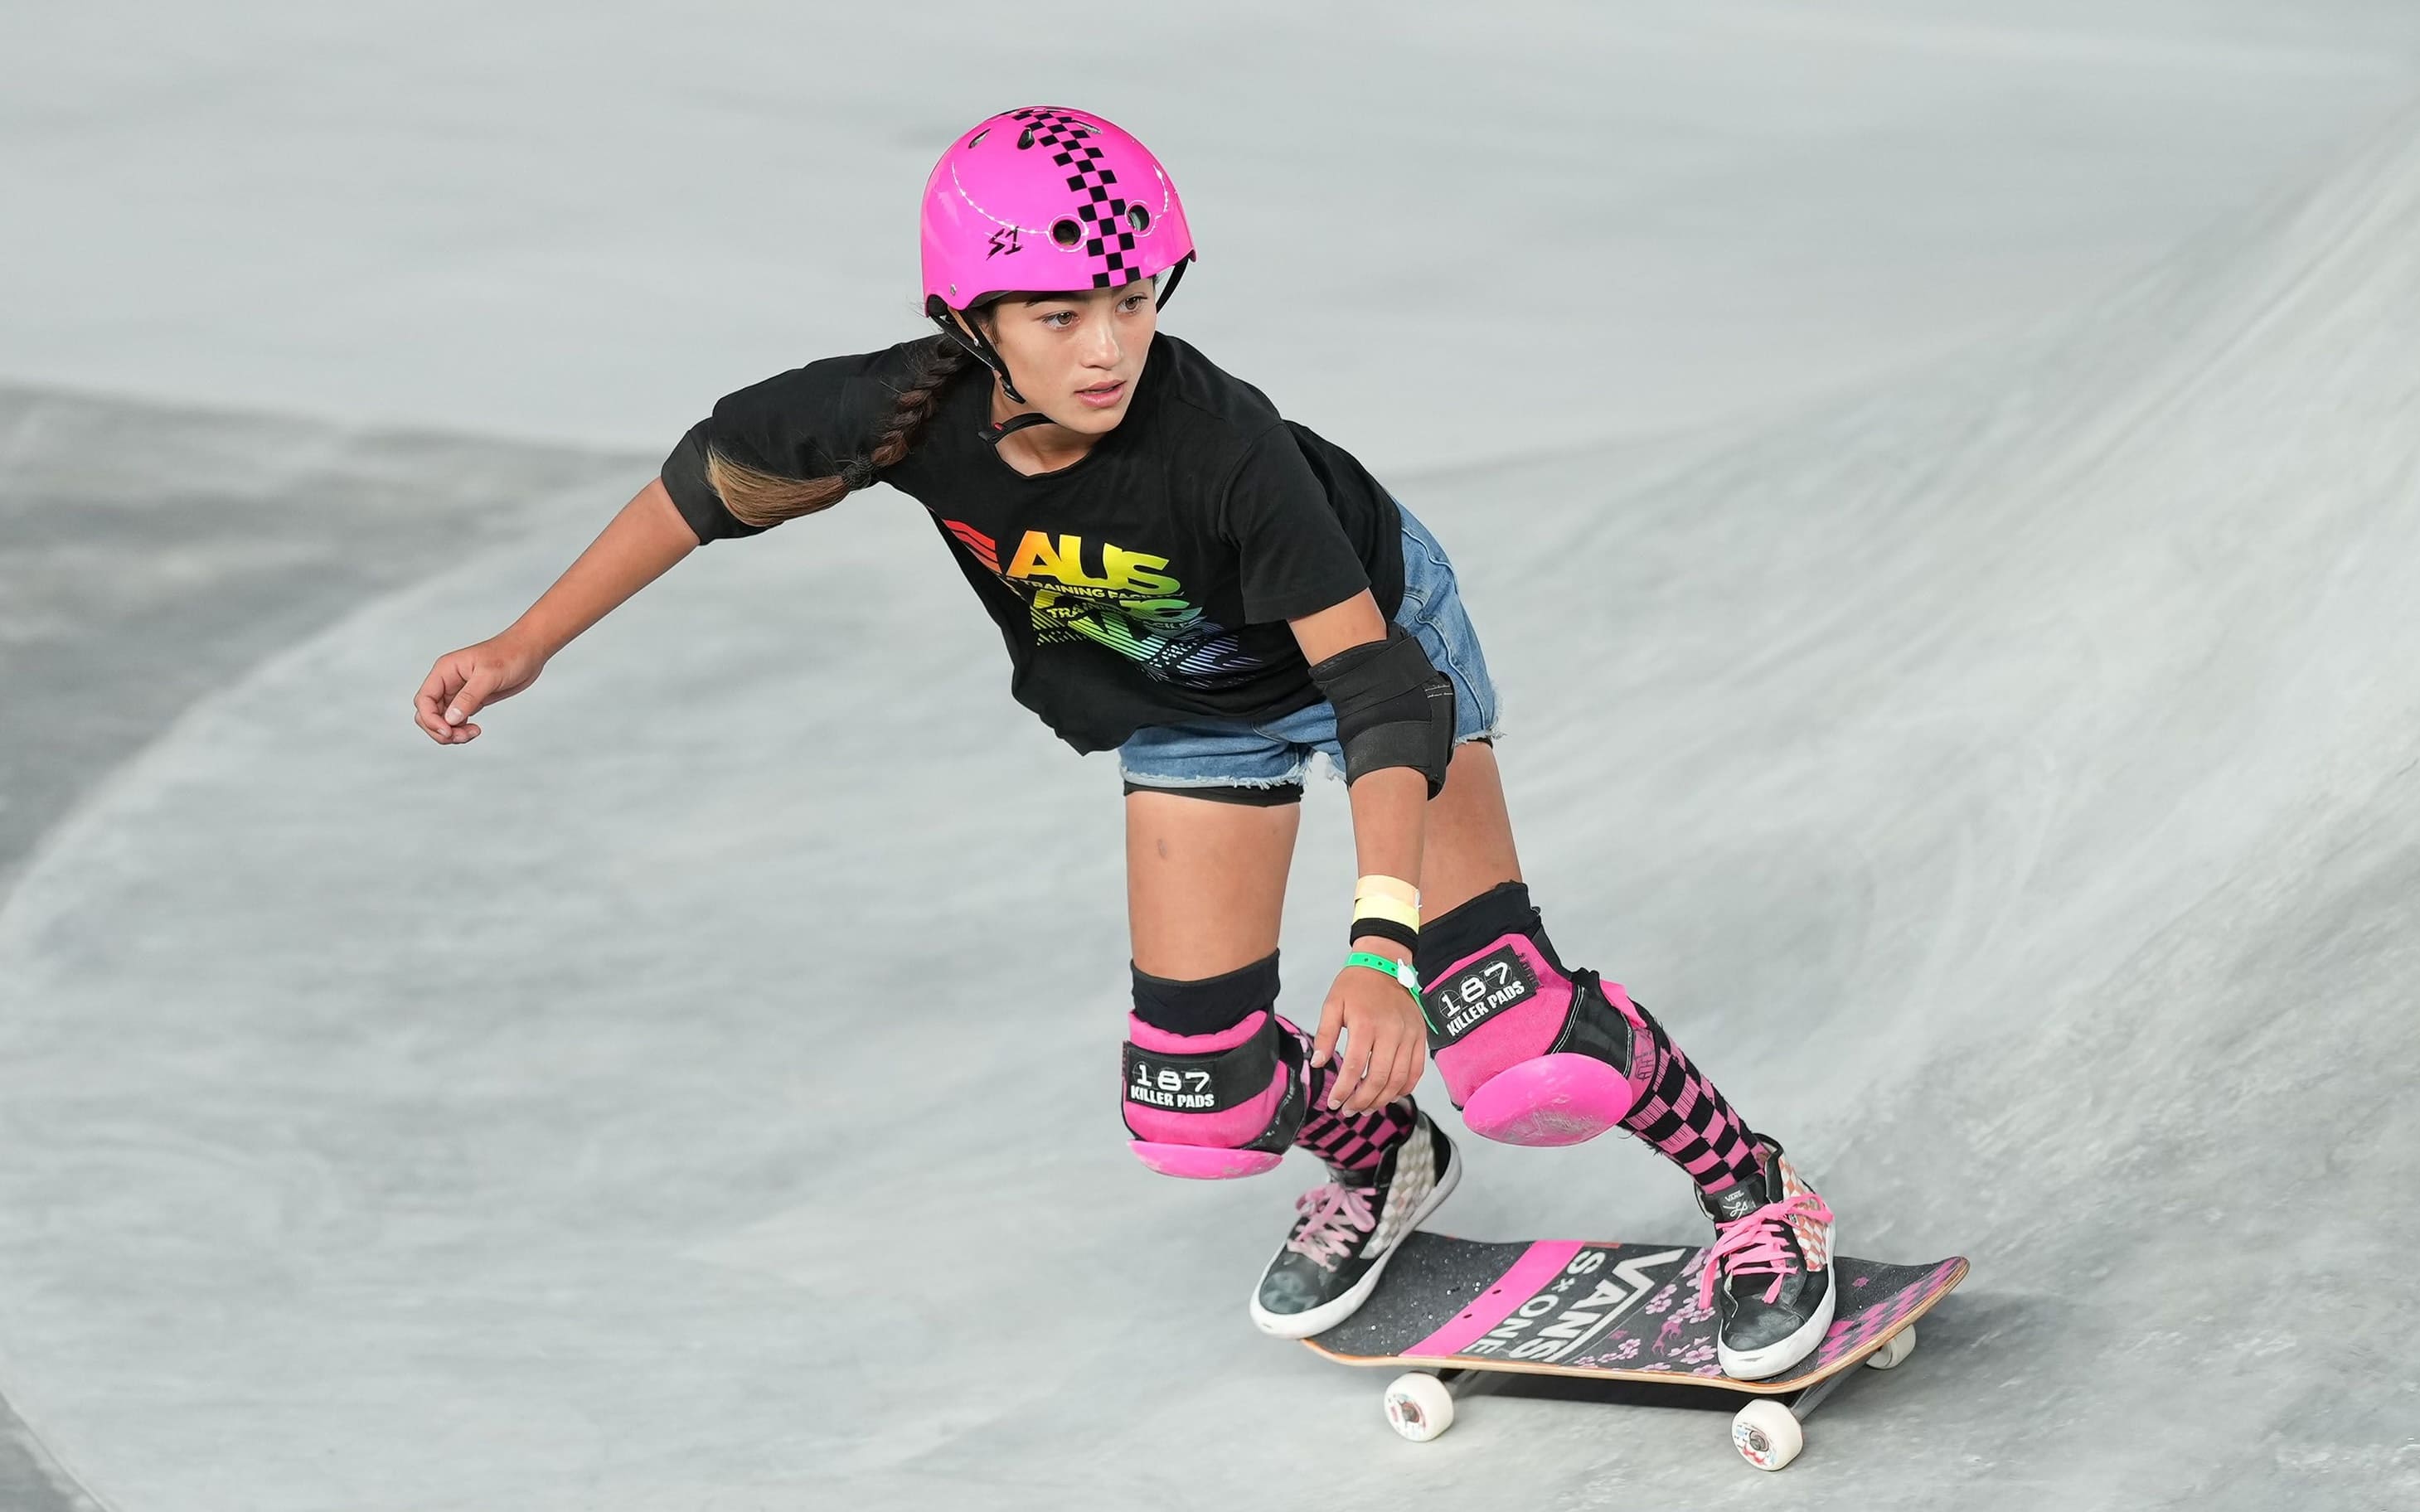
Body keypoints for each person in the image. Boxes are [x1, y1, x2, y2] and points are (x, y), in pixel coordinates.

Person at [410, 105, 1838, 1380]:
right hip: (1192, 710)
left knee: (1518, 1044)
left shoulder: (1221, 444)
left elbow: (1380, 691)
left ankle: (1753, 1186)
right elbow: (705, 487)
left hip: (1375, 650)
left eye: (1132, 299)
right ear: (967, 321)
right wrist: (527, 643)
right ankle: (1385, 1154)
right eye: (1056, 315)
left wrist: (1380, 951)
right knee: (1195, 1099)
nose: (1107, 349)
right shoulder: (896, 413)